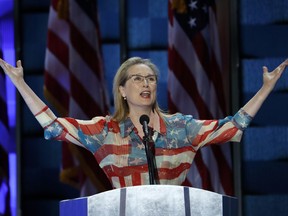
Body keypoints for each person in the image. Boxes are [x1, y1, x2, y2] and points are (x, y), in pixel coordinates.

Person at [0, 57, 287, 189]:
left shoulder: (181, 127)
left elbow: (232, 127)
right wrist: (21, 84)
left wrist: (265, 89)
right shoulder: (105, 131)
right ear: (122, 90)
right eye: (137, 78)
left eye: (150, 78)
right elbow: (53, 125)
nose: (146, 83)